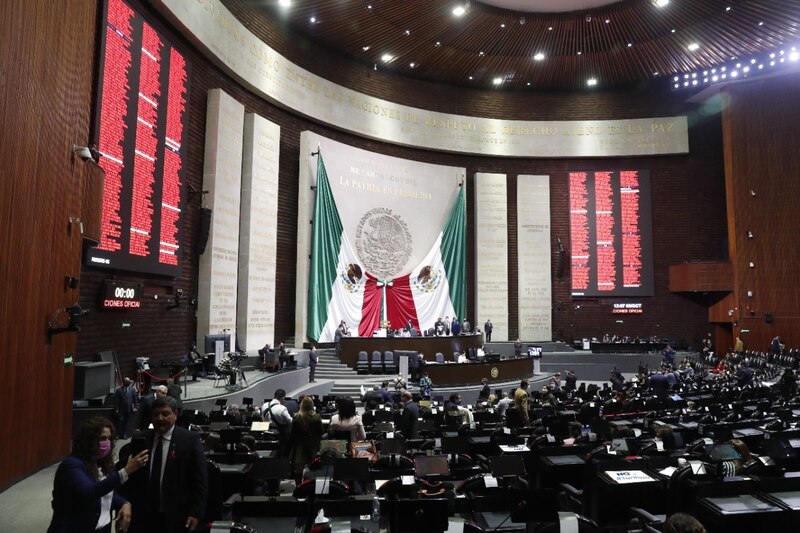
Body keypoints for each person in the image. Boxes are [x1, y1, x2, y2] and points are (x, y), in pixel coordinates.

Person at [119, 396, 208, 533]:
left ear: (175, 414)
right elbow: (131, 479)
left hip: (176, 516)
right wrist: (124, 502)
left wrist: (196, 512)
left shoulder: (190, 440)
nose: (160, 418)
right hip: (142, 517)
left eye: (165, 414)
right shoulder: (140, 439)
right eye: (155, 414)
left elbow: (200, 481)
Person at [48, 416, 148, 533]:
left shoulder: (100, 464)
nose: (107, 443)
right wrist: (126, 471)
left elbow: (107, 494)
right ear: (88, 440)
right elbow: (89, 492)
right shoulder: (71, 465)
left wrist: (124, 503)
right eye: (102, 438)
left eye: (110, 438)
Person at [289, 397, 323, 483]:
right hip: (313, 445)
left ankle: (298, 487)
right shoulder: (316, 417)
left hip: (299, 446)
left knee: (298, 469)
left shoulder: (296, 417)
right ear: (312, 405)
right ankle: (311, 486)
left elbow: (292, 433)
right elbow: (321, 431)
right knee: (313, 468)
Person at [263, 389, 293, 457]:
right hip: (280, 435)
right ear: (282, 398)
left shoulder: (264, 405)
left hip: (267, 434)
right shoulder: (282, 408)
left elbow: (263, 419)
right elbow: (290, 422)